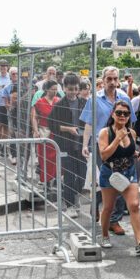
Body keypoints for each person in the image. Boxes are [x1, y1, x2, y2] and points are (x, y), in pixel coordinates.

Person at [81, 66, 134, 236]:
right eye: (109, 79)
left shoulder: (124, 97)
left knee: (119, 180)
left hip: (121, 145)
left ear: (118, 80)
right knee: (102, 179)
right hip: (100, 144)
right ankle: (96, 206)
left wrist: (132, 143)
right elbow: (89, 123)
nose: (112, 82)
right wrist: (85, 144)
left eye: (115, 79)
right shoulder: (94, 99)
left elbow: (130, 121)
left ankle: (114, 220)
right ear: (103, 80)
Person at [97, 100, 140, 254]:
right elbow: (104, 155)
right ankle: (105, 235)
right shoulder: (105, 132)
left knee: (134, 205)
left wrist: (137, 154)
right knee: (108, 207)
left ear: (129, 116)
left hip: (129, 172)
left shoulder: (132, 132)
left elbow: (130, 151)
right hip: (110, 174)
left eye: (126, 113)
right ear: (112, 114)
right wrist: (117, 139)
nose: (122, 116)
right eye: (119, 112)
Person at [51, 73, 87, 219]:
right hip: (66, 145)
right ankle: (70, 204)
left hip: (82, 145)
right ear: (64, 88)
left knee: (83, 175)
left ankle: (74, 195)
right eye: (70, 89)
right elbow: (52, 125)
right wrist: (68, 129)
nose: (72, 92)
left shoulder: (84, 103)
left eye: (75, 89)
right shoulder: (59, 105)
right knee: (70, 176)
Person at [31, 80, 61, 186]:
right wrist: (36, 130)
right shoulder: (39, 102)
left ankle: (56, 178)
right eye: (53, 89)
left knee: (56, 157)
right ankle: (45, 179)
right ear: (47, 89)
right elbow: (34, 117)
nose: (55, 91)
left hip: (57, 133)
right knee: (43, 157)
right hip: (44, 132)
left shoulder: (59, 101)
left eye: (56, 89)